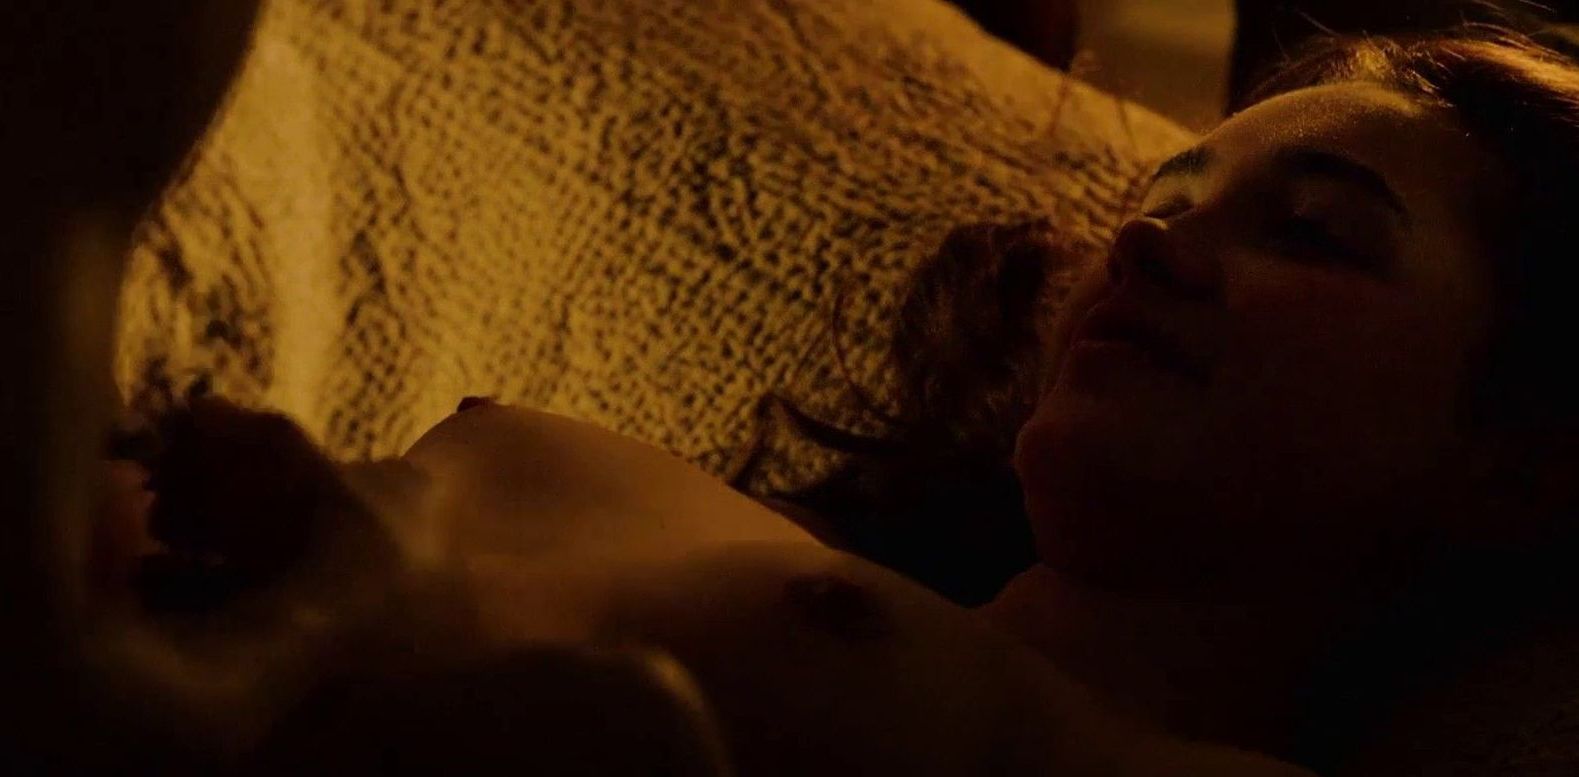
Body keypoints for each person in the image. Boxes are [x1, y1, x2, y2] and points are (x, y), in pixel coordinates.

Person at [74, 24, 1579, 777]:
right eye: (1164, 199)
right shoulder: (713, 517)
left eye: (1313, 233)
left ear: (1519, 462)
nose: (1145, 244)